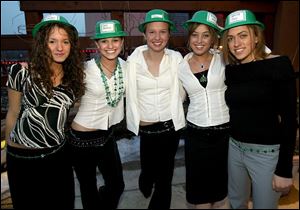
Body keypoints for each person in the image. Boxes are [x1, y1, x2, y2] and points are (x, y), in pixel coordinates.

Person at [5, 14, 85, 209]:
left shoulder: (73, 80)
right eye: (52, 41)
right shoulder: (20, 72)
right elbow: (13, 113)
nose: (60, 47)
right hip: (22, 160)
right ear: (42, 43)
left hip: (57, 158)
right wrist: (8, 149)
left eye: (65, 41)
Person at [220, 9, 297, 209]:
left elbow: (290, 120)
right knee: (237, 203)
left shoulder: (278, 65)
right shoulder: (232, 70)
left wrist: (284, 170)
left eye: (243, 35)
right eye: (231, 38)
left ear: (256, 37)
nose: (236, 44)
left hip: (266, 155)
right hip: (235, 149)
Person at [125, 9, 186, 209]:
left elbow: (188, 81)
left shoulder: (176, 58)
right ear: (145, 34)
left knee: (165, 176)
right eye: (152, 32)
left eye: (162, 32)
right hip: (147, 128)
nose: (157, 37)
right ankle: (145, 177)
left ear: (169, 34)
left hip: (170, 127)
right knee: (149, 167)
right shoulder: (133, 61)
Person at [69, 20, 126, 209]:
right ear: (97, 45)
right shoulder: (84, 70)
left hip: (107, 135)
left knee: (117, 186)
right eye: (104, 41)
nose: (110, 46)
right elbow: (56, 74)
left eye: (115, 40)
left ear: (122, 42)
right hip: (82, 139)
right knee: (88, 190)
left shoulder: (128, 68)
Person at [179, 10, 230, 209]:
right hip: (195, 135)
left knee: (221, 193)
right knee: (200, 193)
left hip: (224, 134)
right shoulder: (180, 65)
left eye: (205, 35)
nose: (199, 40)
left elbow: (258, 53)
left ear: (213, 38)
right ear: (189, 37)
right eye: (195, 34)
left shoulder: (224, 58)